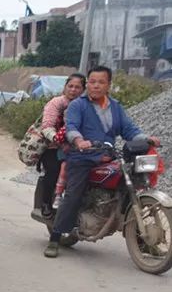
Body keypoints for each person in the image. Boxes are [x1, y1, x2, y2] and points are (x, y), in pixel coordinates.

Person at [44, 66, 160, 258]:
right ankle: (55, 238)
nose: (96, 86)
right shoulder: (77, 105)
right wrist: (79, 141)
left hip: (107, 156)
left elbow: (129, 129)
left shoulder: (115, 106)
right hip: (81, 157)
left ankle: (141, 239)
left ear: (109, 85)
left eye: (101, 82)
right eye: (92, 82)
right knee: (73, 194)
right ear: (87, 83)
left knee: (130, 185)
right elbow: (71, 127)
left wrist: (145, 138)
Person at [37, 73, 86, 215]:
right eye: (70, 86)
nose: (73, 90)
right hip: (53, 147)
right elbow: (46, 126)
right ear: (65, 87)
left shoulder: (87, 105)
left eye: (77, 87)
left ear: (83, 89)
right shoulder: (56, 103)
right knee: (54, 170)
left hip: (79, 147)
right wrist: (58, 140)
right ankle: (46, 203)